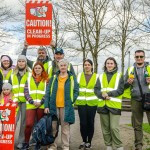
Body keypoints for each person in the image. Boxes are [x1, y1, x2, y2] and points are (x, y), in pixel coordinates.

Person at [44, 59, 79, 150]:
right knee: (53, 127)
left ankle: (65, 146)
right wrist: (46, 105)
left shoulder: (71, 78)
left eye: (64, 65)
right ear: (58, 67)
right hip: (53, 106)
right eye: (61, 65)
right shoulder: (54, 78)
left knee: (65, 128)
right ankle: (53, 146)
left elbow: (76, 91)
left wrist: (71, 101)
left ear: (67, 66)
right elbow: (48, 92)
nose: (63, 67)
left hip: (66, 107)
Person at [94, 57, 124, 150]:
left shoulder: (119, 75)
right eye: (108, 63)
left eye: (111, 63)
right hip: (103, 105)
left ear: (115, 65)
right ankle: (108, 145)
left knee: (114, 127)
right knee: (105, 128)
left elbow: (120, 90)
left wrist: (109, 94)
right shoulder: (101, 76)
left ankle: (119, 146)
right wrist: (102, 95)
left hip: (114, 105)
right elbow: (96, 89)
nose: (109, 65)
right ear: (105, 65)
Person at [124, 50, 150, 150]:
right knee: (137, 125)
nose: (139, 58)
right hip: (135, 99)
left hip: (149, 98)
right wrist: (128, 82)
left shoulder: (149, 68)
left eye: (141, 56)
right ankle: (138, 146)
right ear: (134, 58)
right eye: (137, 57)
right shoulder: (130, 69)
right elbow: (124, 85)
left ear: (144, 57)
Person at [21, 62, 49, 150]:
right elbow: (25, 92)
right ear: (33, 69)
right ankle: (26, 142)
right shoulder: (29, 79)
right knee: (29, 124)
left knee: (40, 126)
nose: (37, 69)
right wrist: (32, 101)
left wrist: (41, 102)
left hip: (41, 105)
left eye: (39, 68)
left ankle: (38, 142)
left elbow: (47, 92)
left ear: (42, 69)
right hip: (31, 105)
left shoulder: (46, 79)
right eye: (36, 68)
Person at [75, 59, 99, 149]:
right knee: (83, 123)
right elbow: (75, 88)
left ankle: (89, 142)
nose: (87, 66)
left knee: (90, 123)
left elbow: (98, 90)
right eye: (85, 65)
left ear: (92, 66)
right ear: (83, 66)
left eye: (89, 65)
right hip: (81, 103)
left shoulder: (97, 77)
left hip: (92, 104)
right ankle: (83, 140)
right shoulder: (79, 76)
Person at [9, 55, 29, 149]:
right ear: (17, 63)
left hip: (26, 101)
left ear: (25, 63)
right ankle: (9, 141)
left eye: (23, 61)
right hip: (15, 102)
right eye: (19, 61)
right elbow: (9, 87)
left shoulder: (29, 73)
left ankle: (21, 141)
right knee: (13, 121)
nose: (21, 63)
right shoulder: (12, 74)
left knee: (24, 123)